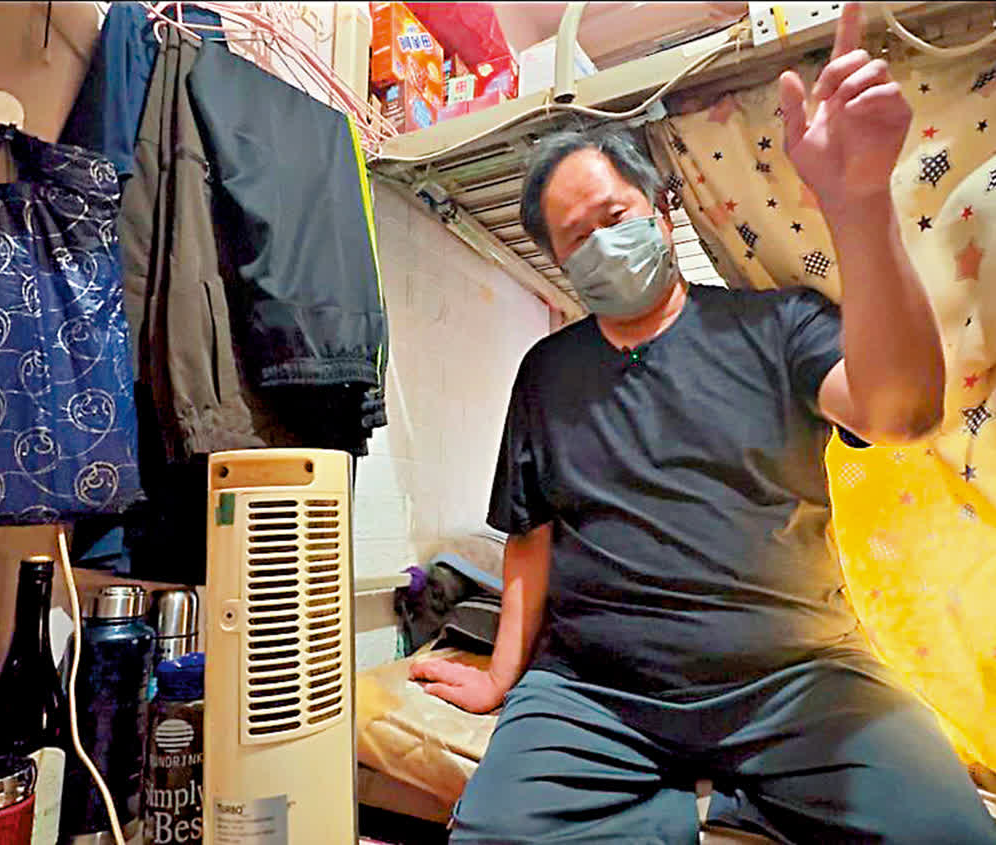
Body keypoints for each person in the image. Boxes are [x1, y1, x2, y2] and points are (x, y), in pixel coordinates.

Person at [408, 5, 996, 843]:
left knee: (951, 834)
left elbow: (903, 412)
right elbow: (529, 538)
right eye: (577, 239)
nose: (602, 244)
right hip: (593, 693)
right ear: (559, 263)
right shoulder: (546, 371)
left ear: (664, 209)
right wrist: (502, 675)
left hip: (798, 678)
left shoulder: (779, 324)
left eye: (615, 216)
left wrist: (859, 204)